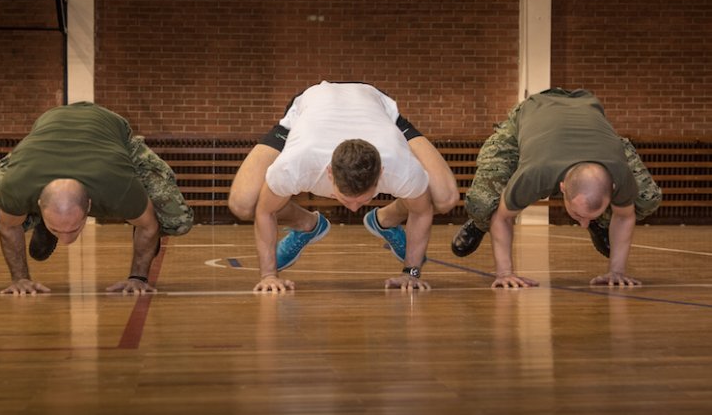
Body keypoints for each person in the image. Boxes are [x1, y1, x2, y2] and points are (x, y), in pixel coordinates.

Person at [228, 81, 458, 292]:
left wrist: (412, 273)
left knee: (445, 198)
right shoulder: (296, 163)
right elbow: (265, 210)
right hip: (313, 102)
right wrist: (269, 275)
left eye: (363, 199)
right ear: (329, 173)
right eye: (347, 199)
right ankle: (307, 224)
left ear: (382, 174)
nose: (355, 209)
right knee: (243, 204)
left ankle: (385, 220)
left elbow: (421, 210)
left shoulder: (401, 165)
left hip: (375, 104)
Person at [0, 101, 194, 295]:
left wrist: (138, 278)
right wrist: (20, 279)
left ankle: (137, 212)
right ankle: (42, 220)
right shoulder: (18, 184)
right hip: (43, 137)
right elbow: (8, 225)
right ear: (40, 204)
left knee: (177, 220)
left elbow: (149, 225)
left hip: (111, 132)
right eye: (58, 230)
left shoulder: (117, 184)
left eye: (73, 229)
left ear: (90, 205)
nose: (66, 242)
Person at [451, 88, 662, 288]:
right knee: (484, 203)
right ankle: (479, 224)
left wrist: (617, 271)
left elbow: (625, 216)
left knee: (646, 198)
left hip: (587, 113)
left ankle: (598, 220)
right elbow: (503, 218)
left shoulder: (619, 173)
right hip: (531, 114)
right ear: (561, 187)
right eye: (579, 215)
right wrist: (505, 273)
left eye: (587, 218)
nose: (581, 225)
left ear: (614, 186)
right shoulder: (535, 173)